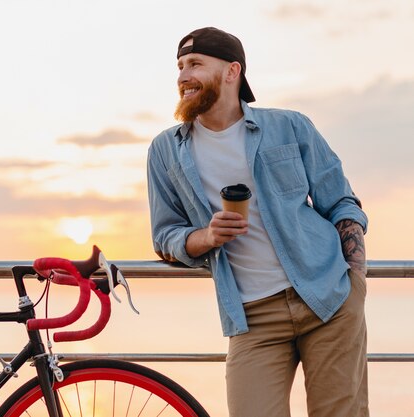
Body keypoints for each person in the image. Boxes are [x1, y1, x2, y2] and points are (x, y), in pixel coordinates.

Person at [147, 27, 369, 417]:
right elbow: (165, 236)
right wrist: (206, 236)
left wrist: (355, 284)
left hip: (328, 299)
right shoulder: (165, 150)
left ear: (232, 72)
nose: (183, 76)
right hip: (252, 318)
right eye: (180, 67)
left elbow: (342, 203)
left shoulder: (290, 126)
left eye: (195, 64)